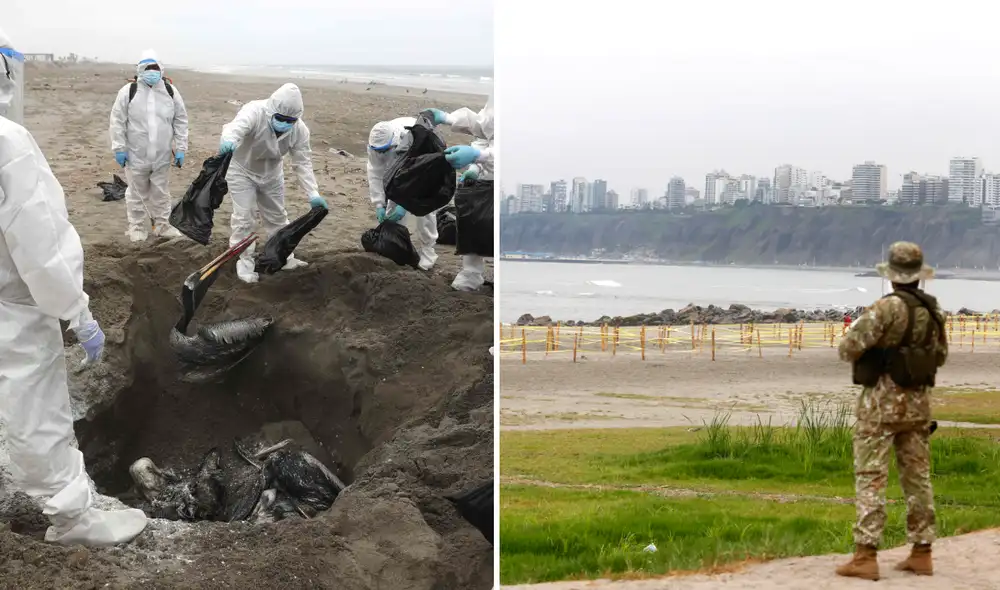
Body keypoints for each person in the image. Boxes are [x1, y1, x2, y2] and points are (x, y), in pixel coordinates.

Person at [0, 27, 148, 547]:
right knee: (33, 401)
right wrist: (77, 310)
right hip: (12, 304)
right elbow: (40, 245)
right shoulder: (8, 144)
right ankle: (73, 518)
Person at [835, 241, 947, 581]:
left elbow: (848, 347)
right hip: (918, 405)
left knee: (871, 477)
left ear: (893, 275)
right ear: (919, 275)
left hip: (880, 406)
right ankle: (922, 551)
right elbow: (939, 355)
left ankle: (866, 555)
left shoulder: (886, 309)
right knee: (917, 478)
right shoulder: (933, 311)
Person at [218, 83, 327, 283]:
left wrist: (313, 193)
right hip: (241, 170)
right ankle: (244, 261)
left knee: (277, 217)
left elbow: (302, 162)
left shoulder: (299, 130)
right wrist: (229, 140)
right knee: (244, 217)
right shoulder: (255, 112)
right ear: (271, 111)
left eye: (290, 120)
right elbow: (236, 128)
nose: (285, 123)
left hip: (272, 173)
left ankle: (284, 257)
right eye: (281, 119)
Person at [109, 50, 188, 242]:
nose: (151, 72)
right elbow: (117, 121)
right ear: (140, 70)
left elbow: (180, 120)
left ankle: (162, 226)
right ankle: (136, 228)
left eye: (155, 68)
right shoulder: (129, 91)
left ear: (161, 69)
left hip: (162, 155)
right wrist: (119, 148)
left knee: (161, 192)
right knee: (136, 193)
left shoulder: (170, 91)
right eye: (147, 68)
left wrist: (181, 147)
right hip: (136, 154)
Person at [427, 95, 494, 292]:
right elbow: (484, 129)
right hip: (489, 169)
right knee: (471, 217)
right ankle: (471, 272)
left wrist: (479, 157)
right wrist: (448, 118)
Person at [366, 116, 439, 270]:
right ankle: (395, 248)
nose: (380, 154)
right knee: (392, 211)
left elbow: (419, 177)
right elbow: (376, 174)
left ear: (394, 143)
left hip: (426, 168)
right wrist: (379, 203)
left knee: (425, 210)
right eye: (377, 151)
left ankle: (428, 251)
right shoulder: (375, 147)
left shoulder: (415, 141)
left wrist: (404, 205)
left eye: (384, 150)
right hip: (402, 167)